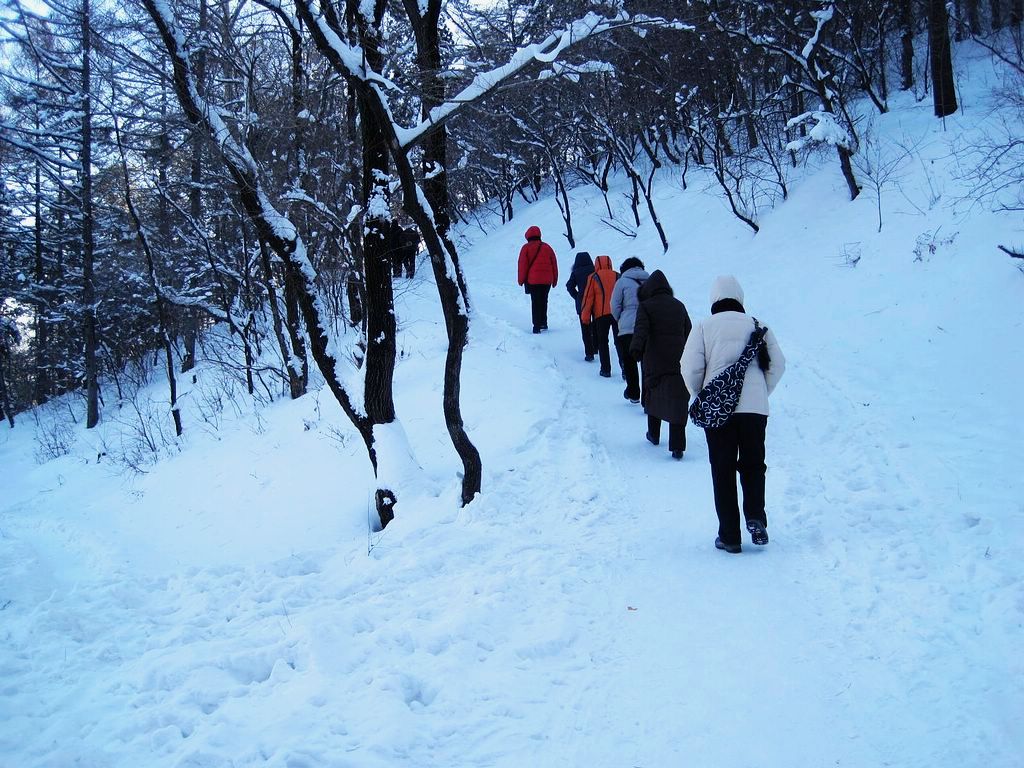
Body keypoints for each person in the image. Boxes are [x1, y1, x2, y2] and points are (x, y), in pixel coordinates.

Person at [682, 275, 786, 554]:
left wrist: (703, 393)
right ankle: (755, 516)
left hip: (718, 410)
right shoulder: (758, 325)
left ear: (714, 299)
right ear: (740, 298)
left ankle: (729, 536)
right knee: (754, 464)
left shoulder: (704, 327)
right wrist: (762, 392)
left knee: (723, 469)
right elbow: (777, 365)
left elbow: (690, 367)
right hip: (754, 409)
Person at [631, 270, 691, 460]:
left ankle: (654, 434)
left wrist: (635, 349)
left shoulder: (646, 306)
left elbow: (641, 329)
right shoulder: (679, 306)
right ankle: (677, 446)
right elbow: (689, 332)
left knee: (652, 392)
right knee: (678, 399)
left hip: (655, 358)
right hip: (678, 359)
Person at [611, 257, 649, 402]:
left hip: (627, 329)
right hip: (647, 327)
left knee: (629, 360)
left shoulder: (621, 282)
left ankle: (633, 393)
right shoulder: (650, 280)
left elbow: (615, 305)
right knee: (647, 363)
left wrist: (620, 319)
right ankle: (647, 398)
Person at [580, 255, 618, 377]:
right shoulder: (617, 276)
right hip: (617, 314)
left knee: (603, 342)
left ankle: (606, 369)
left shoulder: (593, 277)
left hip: (601, 315)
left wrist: (585, 317)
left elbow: (588, 298)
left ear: (596, 264)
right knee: (620, 342)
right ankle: (624, 368)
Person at [517, 225, 558, 334]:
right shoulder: (547, 247)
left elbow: (523, 265)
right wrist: (555, 279)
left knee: (535, 302)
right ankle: (543, 323)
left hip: (533, 280)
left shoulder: (525, 248)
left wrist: (521, 280)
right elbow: (554, 263)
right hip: (547, 280)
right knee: (544, 300)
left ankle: (536, 326)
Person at [565, 252, 597, 361]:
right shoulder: (595, 270)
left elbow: (569, 286)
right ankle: (596, 347)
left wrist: (577, 296)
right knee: (596, 325)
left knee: (585, 327)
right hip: (596, 301)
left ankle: (589, 353)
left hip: (582, 303)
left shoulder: (576, 272)